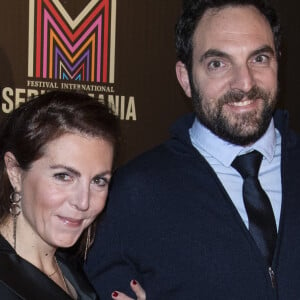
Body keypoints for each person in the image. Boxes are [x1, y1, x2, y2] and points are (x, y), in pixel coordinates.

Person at [84, 0, 300, 299]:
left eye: (259, 58)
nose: (245, 82)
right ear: (185, 79)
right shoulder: (133, 192)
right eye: (218, 64)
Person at [0, 91, 145, 299]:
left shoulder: (67, 264)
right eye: (63, 176)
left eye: (98, 181)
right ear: (15, 172)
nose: (83, 202)